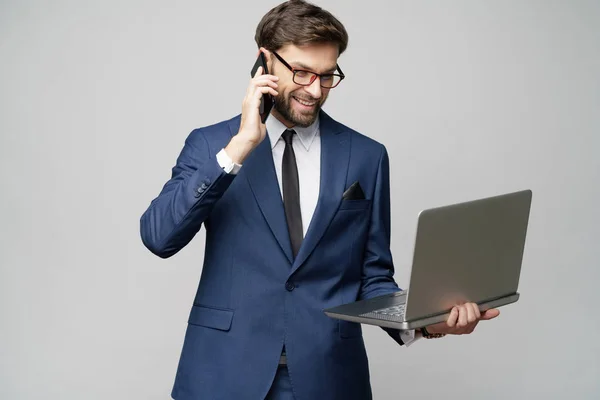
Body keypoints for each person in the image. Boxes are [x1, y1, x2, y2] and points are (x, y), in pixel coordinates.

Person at [140, 1, 500, 399]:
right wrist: (240, 147)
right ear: (264, 62)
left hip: (329, 377)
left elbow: (372, 276)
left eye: (328, 76)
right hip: (223, 374)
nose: (314, 90)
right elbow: (159, 236)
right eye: (302, 73)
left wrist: (428, 323)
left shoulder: (366, 156)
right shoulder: (212, 145)